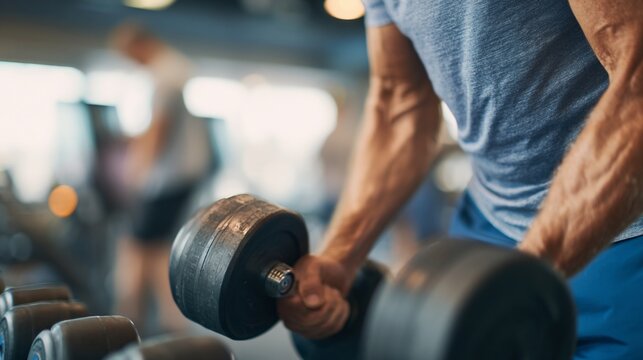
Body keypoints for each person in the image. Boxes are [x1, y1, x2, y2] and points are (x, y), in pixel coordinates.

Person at [277, 1, 643, 358]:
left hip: (625, 227)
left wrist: (516, 279)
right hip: (488, 223)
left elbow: (636, 83)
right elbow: (399, 102)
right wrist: (340, 258)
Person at [110, 24, 214, 334]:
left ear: (141, 45)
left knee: (137, 244)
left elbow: (160, 128)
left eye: (130, 56)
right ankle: (164, 317)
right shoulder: (171, 68)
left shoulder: (166, 72)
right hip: (179, 173)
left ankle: (130, 315)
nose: (132, 63)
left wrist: (135, 172)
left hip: (170, 177)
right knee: (154, 247)